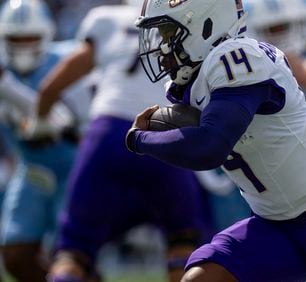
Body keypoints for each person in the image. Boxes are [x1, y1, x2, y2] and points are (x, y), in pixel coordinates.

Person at [126, 0, 306, 281]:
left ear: (205, 24)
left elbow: (209, 147)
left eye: (169, 34)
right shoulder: (194, 81)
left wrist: (139, 140)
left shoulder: (237, 57)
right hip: (275, 223)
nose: (163, 47)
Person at [33, 1, 211, 281]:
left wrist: (40, 120)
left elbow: (51, 87)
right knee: (184, 241)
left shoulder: (107, 18)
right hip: (164, 131)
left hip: (107, 132)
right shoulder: (189, 21)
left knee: (72, 252)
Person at [0, 0, 92, 280]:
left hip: (73, 171)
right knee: (15, 255)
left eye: (30, 37)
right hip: (31, 170)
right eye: (16, 38)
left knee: (74, 256)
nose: (24, 45)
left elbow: (63, 124)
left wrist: (7, 87)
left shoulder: (65, 61)